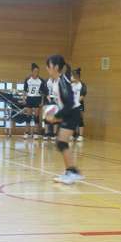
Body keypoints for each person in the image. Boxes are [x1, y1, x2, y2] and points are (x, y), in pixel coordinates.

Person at [45, 54, 83, 185]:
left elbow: (70, 103)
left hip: (72, 113)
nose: (47, 68)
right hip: (69, 113)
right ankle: (72, 171)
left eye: (49, 66)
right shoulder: (56, 82)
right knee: (61, 143)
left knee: (62, 143)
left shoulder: (62, 82)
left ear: (56, 67)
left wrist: (56, 117)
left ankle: (71, 173)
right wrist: (56, 116)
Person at [23, 63, 46, 139]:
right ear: (32, 71)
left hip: (37, 98)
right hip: (29, 98)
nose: (37, 73)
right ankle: (27, 132)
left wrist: (42, 101)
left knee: (36, 116)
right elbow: (25, 90)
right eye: (35, 71)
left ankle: (36, 133)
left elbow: (42, 93)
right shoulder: (28, 79)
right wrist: (24, 99)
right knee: (28, 116)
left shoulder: (41, 80)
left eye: (38, 71)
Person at [71, 68, 87, 142]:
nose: (71, 77)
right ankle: (73, 135)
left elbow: (82, 96)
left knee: (80, 119)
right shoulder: (71, 85)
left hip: (79, 105)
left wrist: (76, 103)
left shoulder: (82, 85)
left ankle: (80, 136)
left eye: (73, 75)